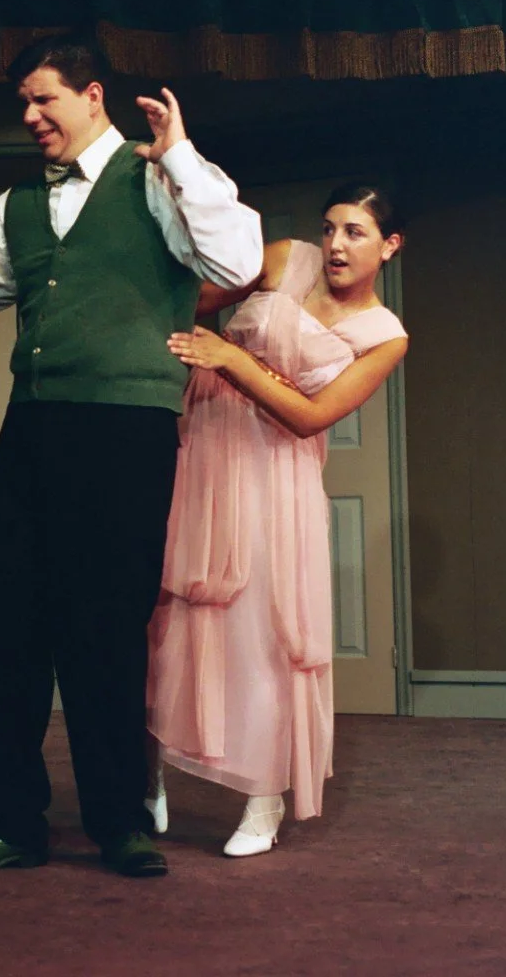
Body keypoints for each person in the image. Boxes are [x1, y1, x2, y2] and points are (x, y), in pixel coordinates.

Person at [0, 33, 262, 878]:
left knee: (106, 629)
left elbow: (238, 259)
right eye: (22, 104)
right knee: (9, 633)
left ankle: (120, 821)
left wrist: (182, 158)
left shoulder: (159, 182)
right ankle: (9, 822)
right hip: (33, 430)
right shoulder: (20, 205)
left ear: (92, 95)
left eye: (44, 100)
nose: (30, 117)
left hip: (125, 430)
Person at [147, 184, 410, 857]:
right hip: (203, 452)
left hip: (275, 481)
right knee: (173, 614)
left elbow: (310, 416)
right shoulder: (284, 259)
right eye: (329, 228)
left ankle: (264, 798)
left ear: (389, 246)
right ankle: (149, 777)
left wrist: (233, 358)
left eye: (354, 232)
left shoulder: (385, 335)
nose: (335, 245)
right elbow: (191, 304)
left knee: (264, 634)